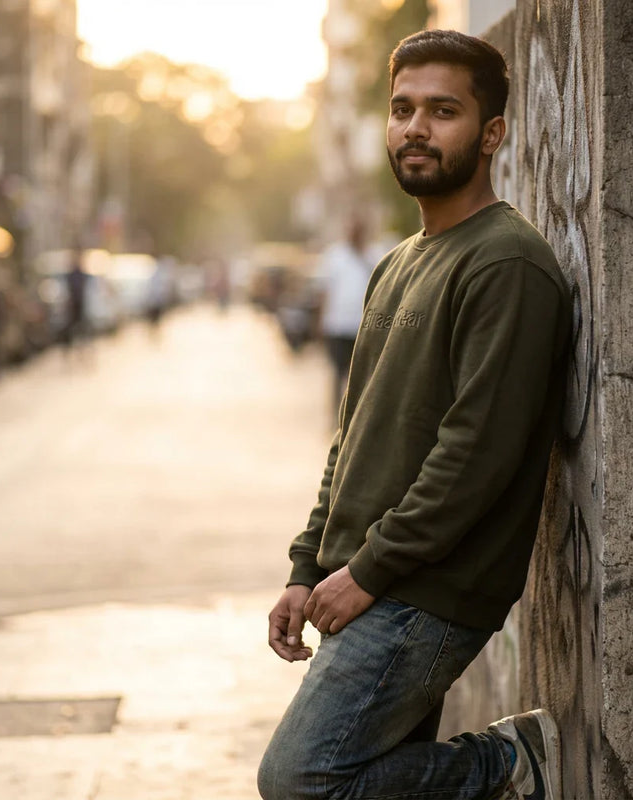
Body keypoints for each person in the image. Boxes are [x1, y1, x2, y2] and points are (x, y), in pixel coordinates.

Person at [257, 29, 572, 800]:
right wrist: (309, 565)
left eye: (443, 111)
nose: (415, 129)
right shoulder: (397, 264)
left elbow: (476, 454)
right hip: (371, 579)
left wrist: (366, 570)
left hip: (424, 591)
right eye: (402, 110)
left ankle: (509, 764)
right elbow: (354, 433)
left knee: (301, 779)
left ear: (491, 133)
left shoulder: (507, 262)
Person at [318, 217, 378, 422]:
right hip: (337, 325)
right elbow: (325, 291)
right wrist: (320, 322)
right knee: (337, 372)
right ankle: (336, 417)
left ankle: (357, 418)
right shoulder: (335, 256)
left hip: (364, 326)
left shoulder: (373, 255)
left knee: (361, 375)